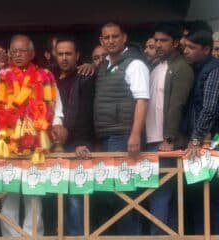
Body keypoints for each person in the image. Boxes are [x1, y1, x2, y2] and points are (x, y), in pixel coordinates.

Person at [0, 34, 66, 236]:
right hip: (9, 145)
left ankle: (33, 236)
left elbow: (58, 106)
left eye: (22, 51)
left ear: (31, 53)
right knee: (9, 199)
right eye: (14, 51)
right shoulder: (2, 74)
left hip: (36, 145)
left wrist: (57, 124)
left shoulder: (45, 75)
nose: (18, 55)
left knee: (33, 198)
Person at [94, 22, 149, 235]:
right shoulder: (103, 65)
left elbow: (142, 100)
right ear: (101, 41)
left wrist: (135, 135)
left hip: (123, 135)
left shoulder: (134, 64)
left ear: (124, 37)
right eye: (106, 37)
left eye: (115, 36)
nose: (111, 41)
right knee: (110, 194)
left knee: (125, 195)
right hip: (108, 136)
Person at [145, 22, 194, 235]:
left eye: (163, 41)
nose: (158, 44)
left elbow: (177, 104)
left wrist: (169, 138)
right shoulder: (156, 66)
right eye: (156, 40)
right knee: (160, 196)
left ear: (175, 43)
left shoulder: (182, 67)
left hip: (166, 142)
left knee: (161, 195)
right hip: (152, 140)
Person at [54, 36, 95, 235]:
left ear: (77, 55)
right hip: (52, 146)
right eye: (60, 54)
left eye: (68, 53)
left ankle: (76, 236)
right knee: (54, 192)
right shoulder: (49, 78)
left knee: (74, 196)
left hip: (75, 146)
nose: (64, 58)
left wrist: (80, 142)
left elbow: (86, 114)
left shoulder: (84, 78)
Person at [182, 29, 219, 234]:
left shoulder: (213, 69)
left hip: (209, 143)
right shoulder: (196, 68)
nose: (186, 51)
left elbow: (210, 108)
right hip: (198, 142)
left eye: (192, 47)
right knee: (197, 195)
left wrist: (196, 139)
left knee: (210, 196)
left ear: (206, 49)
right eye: (185, 46)